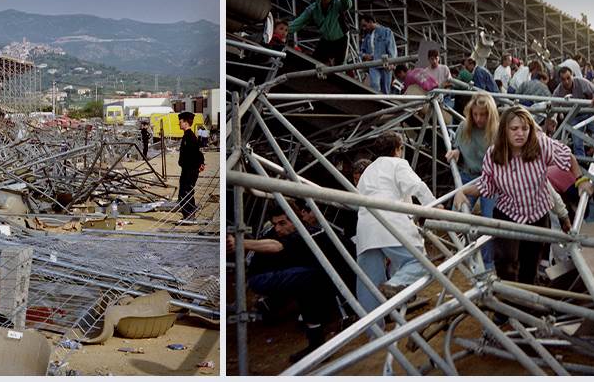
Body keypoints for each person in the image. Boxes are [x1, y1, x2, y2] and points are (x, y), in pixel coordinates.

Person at [454, 106, 593, 285]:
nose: (520, 133)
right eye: (514, 129)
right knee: (505, 262)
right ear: (505, 130)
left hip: (537, 215)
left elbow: (567, 157)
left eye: (524, 128)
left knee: (529, 266)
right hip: (508, 213)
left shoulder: (540, 144)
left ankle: (526, 304)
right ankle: (508, 301)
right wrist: (462, 191)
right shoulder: (494, 154)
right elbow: (486, 185)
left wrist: (581, 180)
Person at [227, 203, 331, 361]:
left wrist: (239, 243)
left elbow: (278, 247)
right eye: (275, 224)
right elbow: (274, 246)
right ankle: (315, 340)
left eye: (282, 223)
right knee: (308, 276)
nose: (277, 228)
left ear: (295, 220)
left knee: (308, 278)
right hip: (261, 277)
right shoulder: (274, 233)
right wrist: (239, 243)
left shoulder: (306, 232)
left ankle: (314, 339)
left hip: (284, 274)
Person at [356, 132, 435, 314]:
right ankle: (395, 284)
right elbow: (418, 186)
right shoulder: (397, 163)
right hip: (390, 224)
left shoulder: (368, 171)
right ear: (398, 149)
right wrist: (434, 206)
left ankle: (374, 331)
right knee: (420, 263)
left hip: (366, 231)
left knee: (369, 285)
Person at [445, 92, 499, 267]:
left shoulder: (497, 131)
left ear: (490, 114)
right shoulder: (464, 126)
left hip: (489, 180)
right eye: (475, 114)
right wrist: (456, 152)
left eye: (483, 114)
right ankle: (462, 253)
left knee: (488, 221)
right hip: (467, 175)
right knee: (458, 217)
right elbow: (459, 147)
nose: (479, 118)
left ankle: (487, 263)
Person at [289, 0, 353, 66]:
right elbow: (298, 23)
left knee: (340, 66)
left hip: (341, 40)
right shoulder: (313, 8)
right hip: (325, 40)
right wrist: (283, 30)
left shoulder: (337, 3)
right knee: (314, 62)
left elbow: (348, 5)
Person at [176, 111, 205, 219]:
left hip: (190, 170)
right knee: (185, 191)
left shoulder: (190, 137)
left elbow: (195, 152)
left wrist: (199, 164)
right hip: (187, 169)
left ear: (186, 123)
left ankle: (189, 215)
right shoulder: (188, 136)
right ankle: (188, 215)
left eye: (180, 122)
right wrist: (201, 162)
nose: (179, 124)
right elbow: (198, 152)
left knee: (186, 191)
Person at [360, 14, 397, 92]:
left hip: (385, 63)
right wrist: (364, 56)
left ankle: (384, 103)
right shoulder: (367, 36)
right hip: (373, 64)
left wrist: (392, 62)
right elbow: (362, 51)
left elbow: (391, 48)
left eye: (365, 25)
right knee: (374, 85)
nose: (364, 28)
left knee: (386, 89)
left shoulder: (386, 31)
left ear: (370, 22)